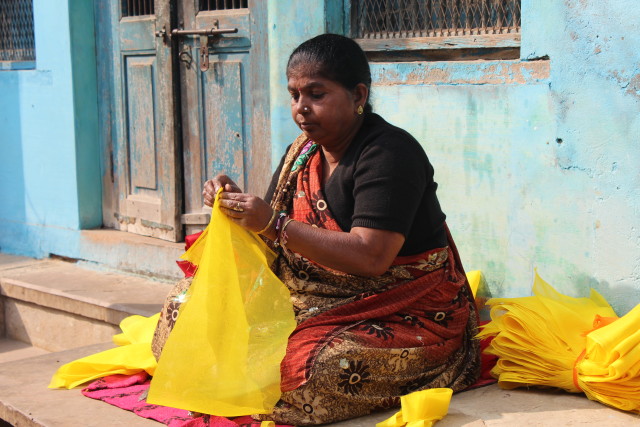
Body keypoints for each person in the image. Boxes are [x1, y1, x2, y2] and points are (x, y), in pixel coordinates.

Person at [154, 33, 480, 425]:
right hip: (308, 300)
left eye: (316, 94)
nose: (301, 108)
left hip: (401, 311)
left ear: (358, 95)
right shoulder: (302, 152)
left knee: (314, 367)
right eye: (294, 95)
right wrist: (236, 207)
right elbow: (274, 239)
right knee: (185, 305)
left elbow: (372, 257)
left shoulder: (390, 153)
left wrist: (272, 223)